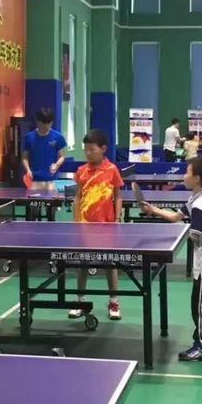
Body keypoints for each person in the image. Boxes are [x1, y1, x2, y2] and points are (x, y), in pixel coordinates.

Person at [142, 156, 202, 361]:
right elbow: (175, 217)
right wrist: (153, 210)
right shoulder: (198, 197)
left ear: (197, 178)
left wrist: (182, 232)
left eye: (187, 172)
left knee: (201, 305)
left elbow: (197, 237)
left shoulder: (199, 205)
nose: (184, 175)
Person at [70, 129, 124, 320]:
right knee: (82, 264)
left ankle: (114, 301)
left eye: (92, 150)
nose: (88, 153)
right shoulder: (81, 171)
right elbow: (78, 197)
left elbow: (118, 197)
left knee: (110, 263)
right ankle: (80, 301)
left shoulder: (112, 170)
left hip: (106, 226)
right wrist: (76, 220)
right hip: (85, 225)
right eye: (86, 149)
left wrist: (117, 219)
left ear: (103, 149)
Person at [22, 108, 67, 190]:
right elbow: (25, 158)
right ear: (38, 122)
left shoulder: (58, 137)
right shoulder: (29, 137)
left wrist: (56, 165)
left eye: (49, 123)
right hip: (34, 180)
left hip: (51, 181)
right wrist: (28, 170)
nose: (46, 126)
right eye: (43, 124)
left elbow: (62, 157)